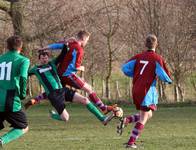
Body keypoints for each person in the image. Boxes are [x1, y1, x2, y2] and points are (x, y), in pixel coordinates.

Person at [26, 30, 116, 114]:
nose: (86, 42)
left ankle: (36, 100)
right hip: (68, 75)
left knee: (55, 90)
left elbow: (57, 45)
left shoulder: (70, 43)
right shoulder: (79, 50)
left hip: (59, 73)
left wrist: (45, 48)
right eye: (87, 40)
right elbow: (76, 66)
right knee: (89, 89)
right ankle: (103, 108)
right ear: (83, 39)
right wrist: (81, 68)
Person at [28, 50, 113, 125]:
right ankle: (53, 115)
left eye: (46, 58)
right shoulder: (35, 69)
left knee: (85, 100)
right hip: (54, 96)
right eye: (43, 58)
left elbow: (62, 54)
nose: (45, 60)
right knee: (66, 118)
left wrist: (66, 44)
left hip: (63, 90)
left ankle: (102, 119)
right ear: (39, 59)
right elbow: (24, 73)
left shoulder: (52, 64)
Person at [119, 34, 172, 148]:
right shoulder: (157, 58)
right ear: (156, 44)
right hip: (146, 91)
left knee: (149, 114)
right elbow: (164, 74)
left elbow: (124, 68)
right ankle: (131, 142)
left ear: (145, 44)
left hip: (136, 89)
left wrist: (136, 74)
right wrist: (168, 80)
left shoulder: (138, 56)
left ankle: (127, 120)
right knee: (143, 117)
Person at [0, 35, 30, 146]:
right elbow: (23, 77)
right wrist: (22, 93)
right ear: (20, 47)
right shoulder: (23, 60)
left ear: (7, 47)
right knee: (23, 126)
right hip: (10, 98)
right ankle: (2, 140)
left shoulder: (0, 59)